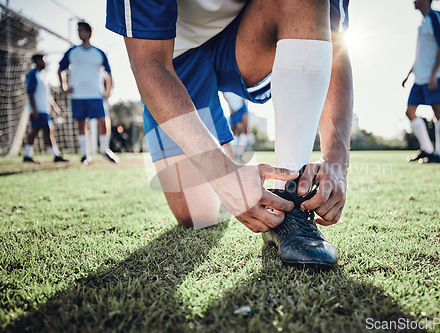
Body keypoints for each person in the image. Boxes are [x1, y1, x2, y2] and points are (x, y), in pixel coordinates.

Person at [106, 0, 352, 269]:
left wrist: (338, 160)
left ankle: (288, 198)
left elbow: (332, 38)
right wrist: (221, 173)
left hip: (248, 35)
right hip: (174, 56)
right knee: (199, 215)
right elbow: (149, 62)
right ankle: (227, 163)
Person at [58, 21, 119, 164]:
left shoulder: (98, 53)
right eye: (78, 30)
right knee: (81, 124)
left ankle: (105, 150)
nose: (80, 33)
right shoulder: (72, 52)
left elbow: (109, 73)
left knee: (103, 121)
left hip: (95, 94)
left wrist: (108, 91)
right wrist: (64, 86)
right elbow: (60, 69)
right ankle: (85, 155)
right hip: (78, 95)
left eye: (82, 31)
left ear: (89, 33)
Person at [403, 0, 440, 164]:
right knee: (410, 112)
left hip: (435, 75)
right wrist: (409, 73)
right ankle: (428, 149)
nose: (413, 1)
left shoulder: (436, 17)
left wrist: (434, 73)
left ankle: (439, 154)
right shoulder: (422, 24)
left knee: (438, 111)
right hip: (420, 77)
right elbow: (421, 54)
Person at [23, 54, 68, 164]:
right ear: (36, 61)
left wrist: (54, 107)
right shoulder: (33, 74)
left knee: (36, 131)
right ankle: (55, 155)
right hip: (38, 109)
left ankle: (27, 155)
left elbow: (47, 95)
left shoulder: (43, 76)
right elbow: (30, 93)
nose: (44, 63)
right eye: (42, 61)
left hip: (44, 109)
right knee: (47, 130)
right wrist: (34, 110)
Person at [222, 91, 249, 161]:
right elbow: (223, 94)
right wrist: (230, 106)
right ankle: (234, 153)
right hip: (233, 108)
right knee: (234, 132)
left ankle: (240, 153)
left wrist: (244, 97)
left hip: (242, 106)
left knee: (245, 130)